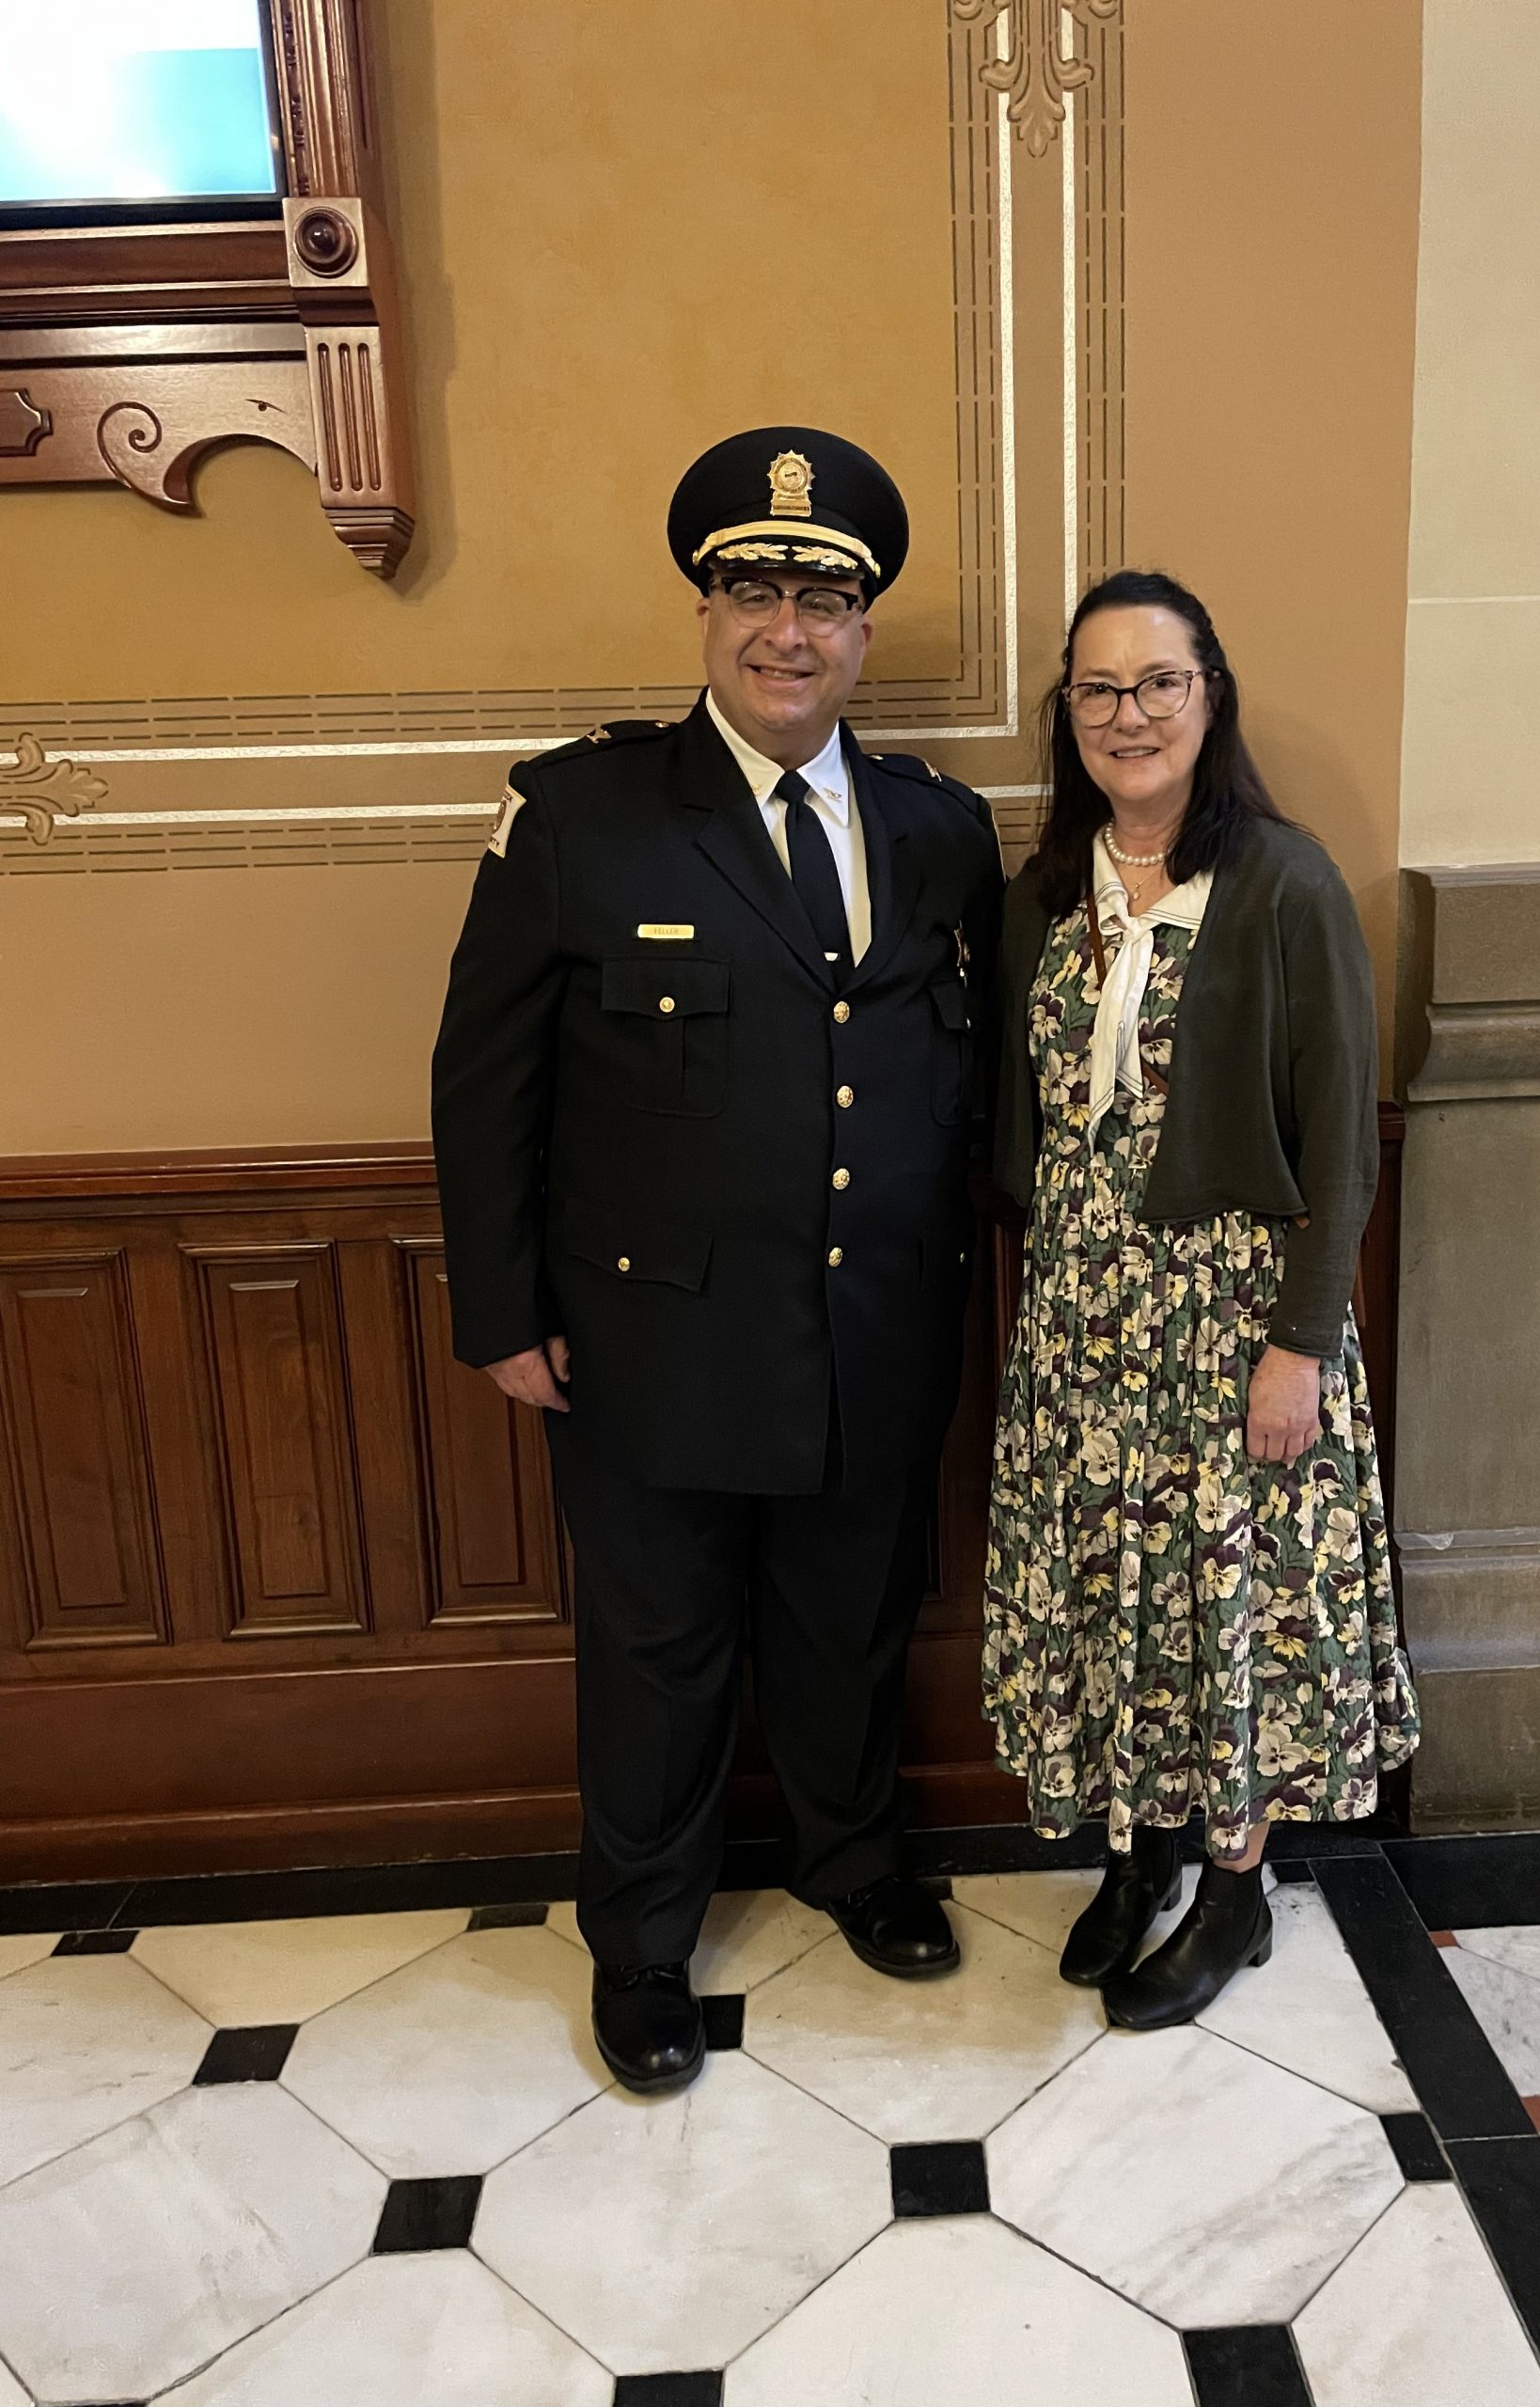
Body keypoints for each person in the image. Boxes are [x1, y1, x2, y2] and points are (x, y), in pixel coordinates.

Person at [432, 427, 1003, 2095]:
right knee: (659, 1651)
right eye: (755, 592)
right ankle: (642, 1941)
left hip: (873, 1328)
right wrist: (502, 1308)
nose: (787, 630)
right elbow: (485, 1082)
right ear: (705, 609)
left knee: (848, 1623)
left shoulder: (939, 830)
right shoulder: (584, 814)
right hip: (648, 1341)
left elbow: (969, 1080)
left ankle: (854, 1859)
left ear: (864, 631)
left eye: (823, 600)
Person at [982, 569, 1420, 2030]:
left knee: (1227, 1604)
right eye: (1099, 688)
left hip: (1233, 1319)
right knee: (1113, 1594)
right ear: (1069, 711)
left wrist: (1299, 1345)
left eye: (1158, 682)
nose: (1130, 714)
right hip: (1081, 1322)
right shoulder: (1043, 896)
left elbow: (1341, 1142)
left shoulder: (1284, 884)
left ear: (1209, 696)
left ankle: (1236, 1886)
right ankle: (1137, 1851)